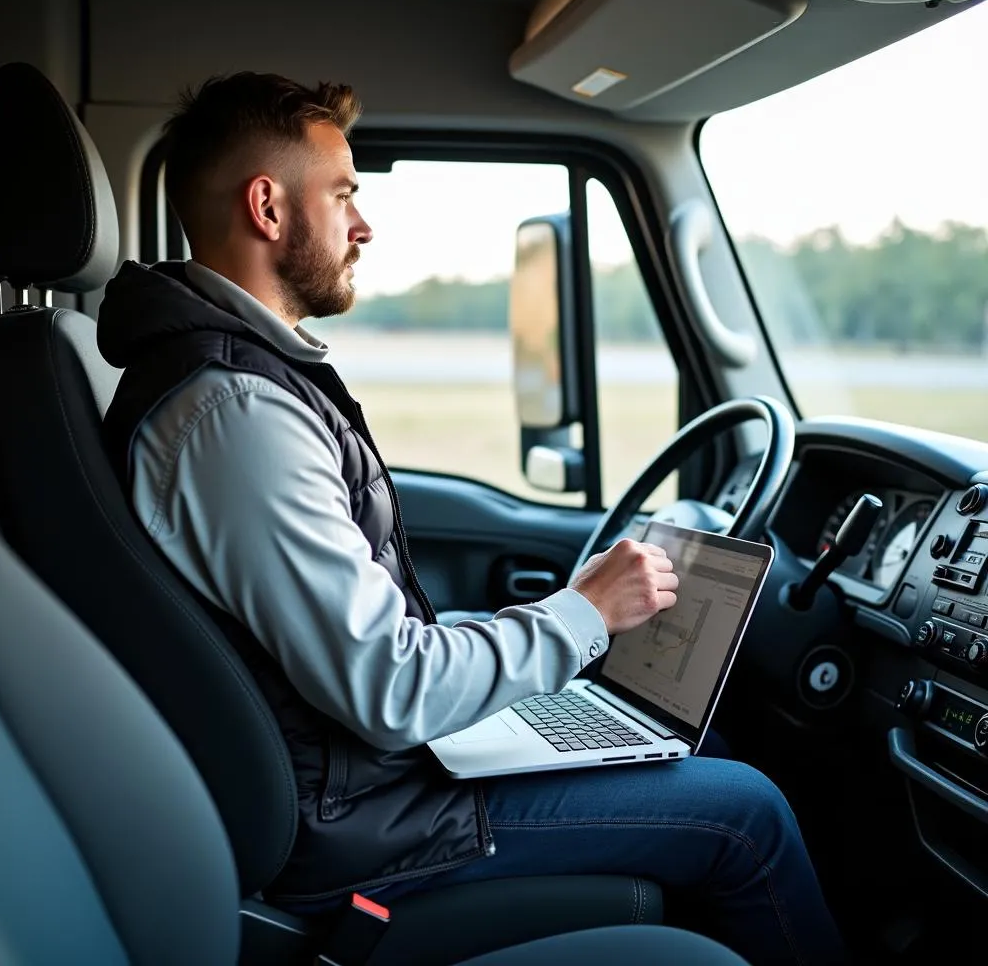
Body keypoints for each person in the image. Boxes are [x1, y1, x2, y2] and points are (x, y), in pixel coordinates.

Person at [96, 72, 846, 965]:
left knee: (693, 745)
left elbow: (354, 653)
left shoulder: (235, 383)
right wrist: (584, 616)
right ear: (267, 206)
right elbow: (389, 689)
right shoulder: (235, 416)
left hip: (357, 780)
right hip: (365, 826)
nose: (362, 226)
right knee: (749, 813)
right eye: (343, 196)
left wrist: (539, 636)